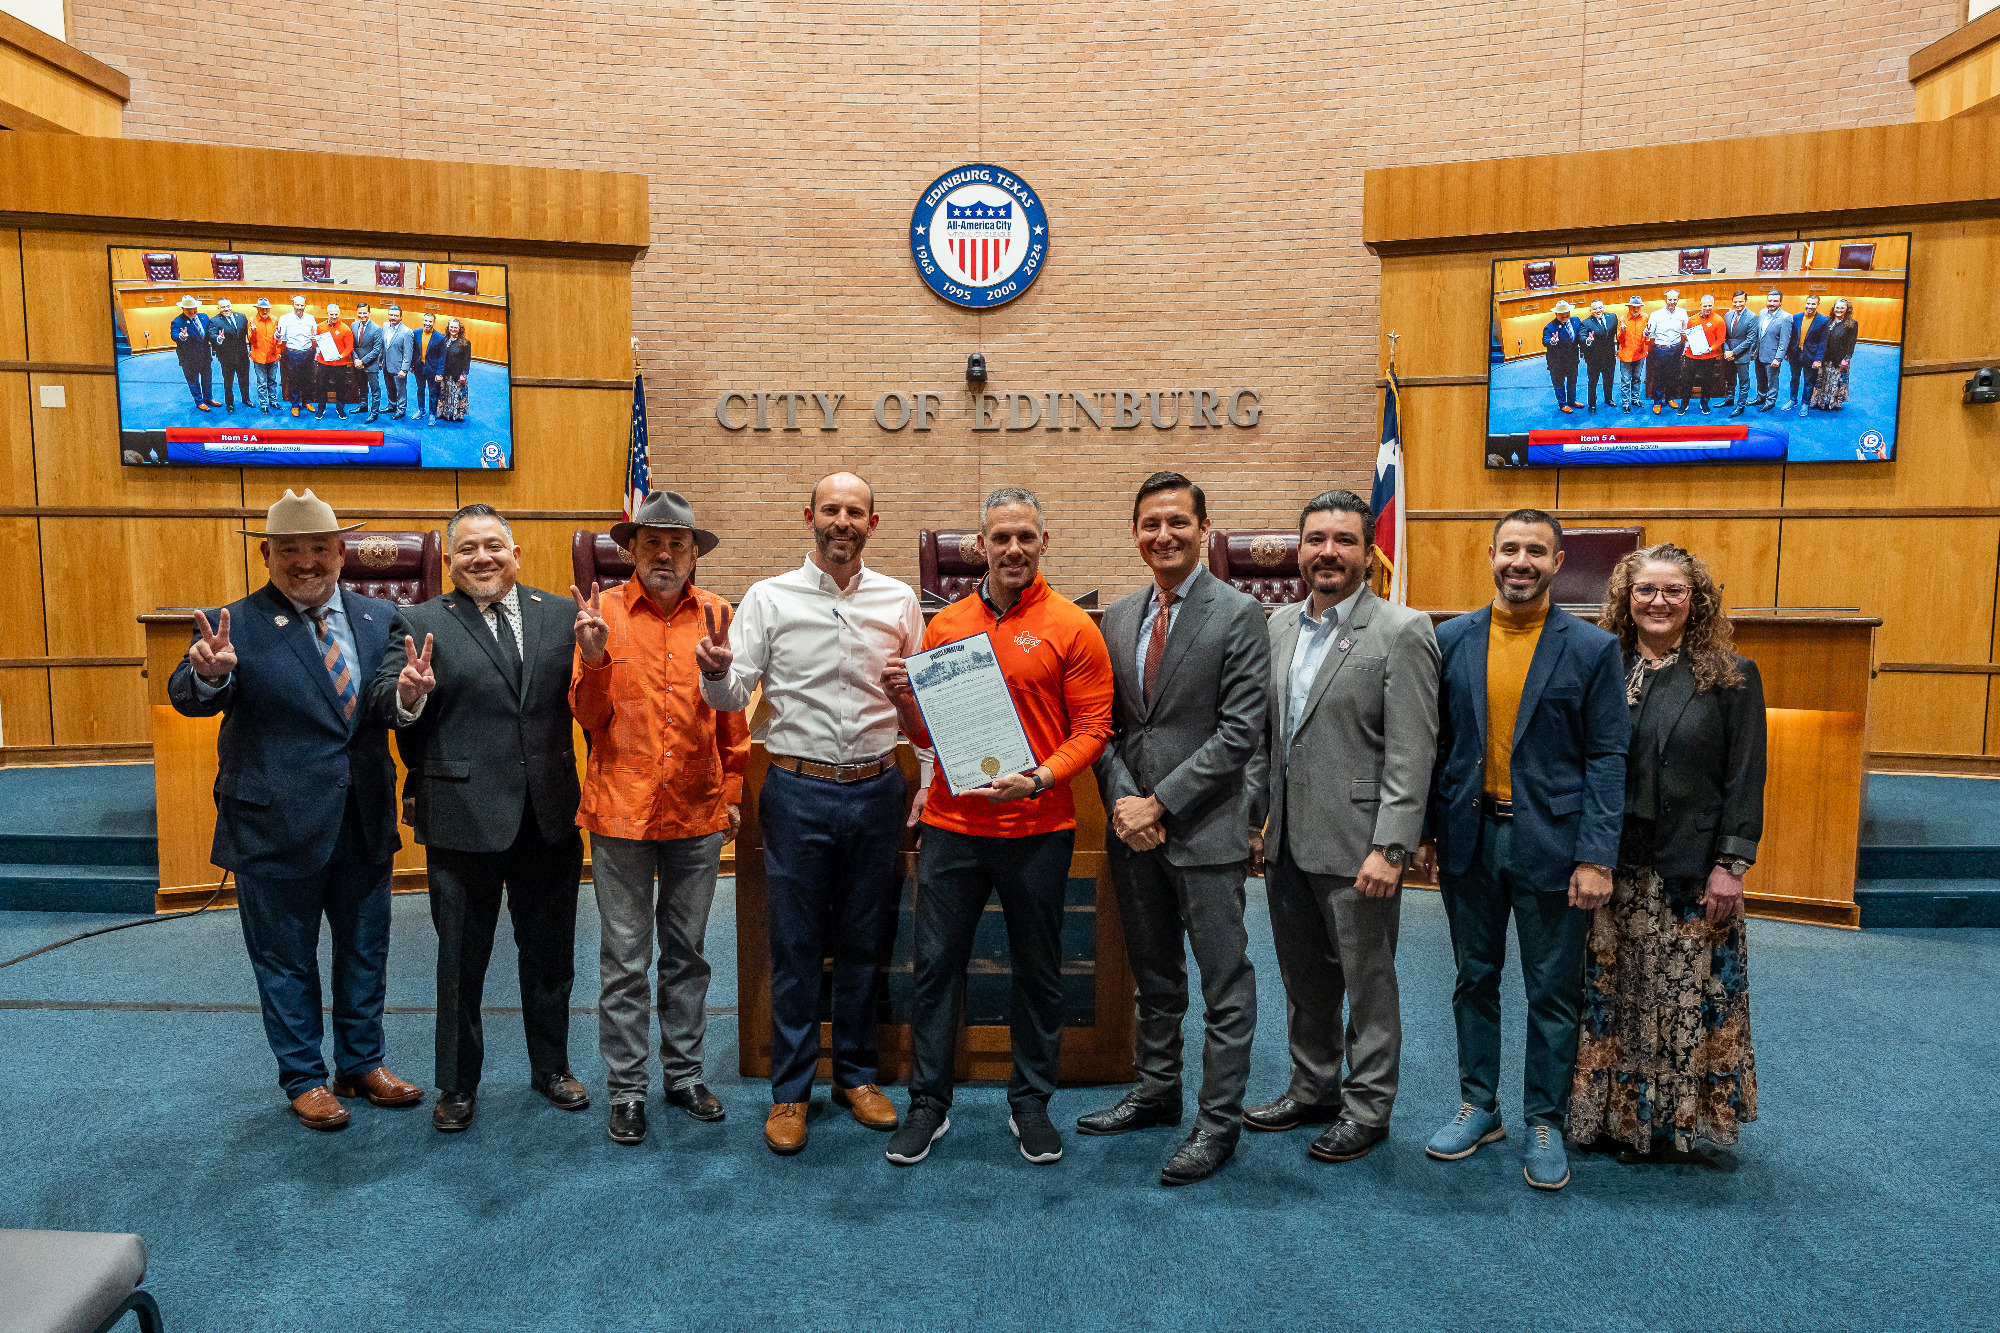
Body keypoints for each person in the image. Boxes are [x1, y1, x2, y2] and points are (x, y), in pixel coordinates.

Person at [167, 490, 421, 1131]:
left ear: (341, 552)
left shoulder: (379, 617)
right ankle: (304, 1077)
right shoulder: (233, 624)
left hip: (361, 817)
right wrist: (211, 676)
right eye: (289, 551)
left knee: (366, 949)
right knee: (285, 958)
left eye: (317, 549)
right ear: (267, 555)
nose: (305, 562)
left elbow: (387, 702)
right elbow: (189, 694)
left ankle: (363, 1064)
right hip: (273, 824)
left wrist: (410, 698)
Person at [881, 487, 1115, 1169]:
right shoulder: (946, 625)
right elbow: (929, 736)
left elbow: (1094, 730)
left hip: (1039, 826)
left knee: (1039, 970)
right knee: (936, 968)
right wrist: (904, 699)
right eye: (1000, 537)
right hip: (954, 828)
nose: (1013, 548)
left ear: (1045, 541)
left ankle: (1032, 1102)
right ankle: (929, 1101)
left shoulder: (1074, 626)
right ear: (978, 546)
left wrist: (1040, 777)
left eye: (1026, 536)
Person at [696, 472, 923, 1155]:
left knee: (863, 942)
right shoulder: (768, 598)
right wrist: (712, 670)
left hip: (877, 787)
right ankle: (790, 1091)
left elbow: (923, 702)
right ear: (810, 517)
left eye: (856, 510)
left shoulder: (901, 599)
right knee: (795, 947)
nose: (843, 520)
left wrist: (929, 772)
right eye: (832, 509)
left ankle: (855, 1076)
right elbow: (734, 696)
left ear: (873, 524)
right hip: (796, 791)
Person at [1419, 509, 1628, 1192]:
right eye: (1510, 548)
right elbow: (1435, 746)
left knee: (1551, 991)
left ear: (1559, 561)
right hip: (1469, 837)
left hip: (1554, 844)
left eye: (1536, 550)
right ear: (1490, 554)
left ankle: (1545, 1118)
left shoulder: (1592, 648)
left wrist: (1598, 856)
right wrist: (1425, 832)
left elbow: (1607, 756)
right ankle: (1481, 1106)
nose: (1521, 561)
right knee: (1473, 976)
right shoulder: (1450, 638)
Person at [371, 504, 590, 1134]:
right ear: (449, 560)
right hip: (462, 816)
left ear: (516, 554)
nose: (482, 558)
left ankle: (551, 1068)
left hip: (548, 814)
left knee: (549, 955)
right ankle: (458, 1084)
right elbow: (389, 700)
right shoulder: (418, 621)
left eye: (493, 546)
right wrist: (410, 693)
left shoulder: (562, 615)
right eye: (466, 549)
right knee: (461, 959)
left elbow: (587, 698)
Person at [1080, 471, 1271, 1187]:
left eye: (1177, 523)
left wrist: (1158, 803)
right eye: (1150, 523)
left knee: (1225, 984)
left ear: (1203, 530)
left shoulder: (1240, 612)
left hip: (1206, 830)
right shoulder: (1120, 614)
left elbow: (1240, 731)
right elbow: (1109, 727)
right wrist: (1127, 803)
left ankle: (1217, 1122)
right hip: (1135, 833)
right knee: (1154, 976)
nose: (1164, 535)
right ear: (1135, 533)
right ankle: (1158, 1090)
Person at [1241, 490, 1439, 1163]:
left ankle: (1367, 1106)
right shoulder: (1277, 626)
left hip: (1362, 847)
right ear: (1300, 548)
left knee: (1368, 982)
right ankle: (1313, 1086)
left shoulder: (1403, 630)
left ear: (1367, 551)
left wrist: (1393, 846)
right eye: (1317, 538)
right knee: (1304, 979)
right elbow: (1271, 740)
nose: (1329, 551)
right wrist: (1256, 822)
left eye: (1344, 540)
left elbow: (1412, 753)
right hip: (1287, 840)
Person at [1568, 544, 1762, 1162]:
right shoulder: (1599, 664)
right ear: (1626, 597)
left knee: (1681, 997)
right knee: (1614, 995)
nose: (1658, 601)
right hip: (1610, 865)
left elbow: (1745, 778)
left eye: (1673, 591)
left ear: (1696, 600)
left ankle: (1668, 1125)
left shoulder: (1730, 676)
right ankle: (1609, 1120)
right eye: (1645, 589)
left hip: (1688, 872)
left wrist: (1730, 866)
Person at [572, 492, 749, 1145]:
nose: (666, 554)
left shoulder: (719, 615)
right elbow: (588, 717)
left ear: (694, 552)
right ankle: (626, 1088)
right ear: (633, 550)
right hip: (620, 810)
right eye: (654, 543)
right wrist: (592, 659)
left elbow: (733, 714)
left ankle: (684, 1074)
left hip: (698, 809)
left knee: (687, 954)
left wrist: (732, 787)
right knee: (624, 957)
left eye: (679, 544)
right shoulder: (602, 615)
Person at [1678, 294, 1726, 414]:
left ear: (1713, 305)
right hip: (1691, 356)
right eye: (1705, 305)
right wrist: (1685, 343)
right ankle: (1684, 404)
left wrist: (1711, 348)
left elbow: (1720, 339)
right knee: (1687, 381)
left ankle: (1704, 403)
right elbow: (1688, 337)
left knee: (1707, 381)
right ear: (1701, 305)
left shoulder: (1719, 320)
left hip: (1709, 357)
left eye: (1710, 305)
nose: (1707, 308)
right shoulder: (1692, 319)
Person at [1643, 289, 1689, 412]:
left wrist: (1686, 338)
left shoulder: (1682, 312)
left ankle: (1670, 398)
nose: (1672, 302)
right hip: (1661, 349)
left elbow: (1687, 329)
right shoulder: (1656, 314)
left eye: (1675, 299)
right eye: (1670, 299)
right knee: (1659, 376)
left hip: (1676, 348)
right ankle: (1657, 402)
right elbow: (1648, 332)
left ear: (1678, 300)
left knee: (1674, 375)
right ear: (1665, 299)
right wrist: (1646, 332)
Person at [1784, 293, 1830, 414]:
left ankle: (1805, 403)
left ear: (1818, 305)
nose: (1810, 306)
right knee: (1794, 378)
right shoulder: (1797, 317)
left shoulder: (1823, 320)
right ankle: (1793, 399)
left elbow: (1823, 342)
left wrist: (1818, 359)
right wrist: (1787, 352)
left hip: (1811, 355)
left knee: (1809, 381)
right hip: (1795, 353)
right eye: (1808, 303)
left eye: (1813, 304)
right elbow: (1792, 337)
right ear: (1805, 303)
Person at [1812, 296, 1860, 411]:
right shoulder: (1826, 321)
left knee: (1836, 381)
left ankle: (1832, 403)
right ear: (1833, 308)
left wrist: (1847, 359)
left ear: (1847, 309)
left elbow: (1851, 343)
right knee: (1823, 379)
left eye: (1842, 308)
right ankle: (1820, 402)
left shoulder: (1852, 324)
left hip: (1840, 359)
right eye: (1837, 307)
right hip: (1825, 357)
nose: (1839, 310)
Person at [169, 296, 217, 412]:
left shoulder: (204, 317)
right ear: (183, 309)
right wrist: (182, 337)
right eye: (188, 309)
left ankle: (208, 398)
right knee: (193, 381)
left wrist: (216, 342)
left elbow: (210, 333)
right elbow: (174, 336)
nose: (192, 311)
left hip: (205, 356)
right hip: (189, 359)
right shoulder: (177, 322)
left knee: (207, 378)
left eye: (194, 308)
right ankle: (199, 402)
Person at [276, 295, 318, 418]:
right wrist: (277, 334)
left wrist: (316, 350)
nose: (299, 307)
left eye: (302, 305)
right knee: (294, 380)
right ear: (293, 304)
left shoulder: (310, 318)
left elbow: (315, 335)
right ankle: (295, 405)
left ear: (305, 305)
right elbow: (279, 336)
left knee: (308, 379)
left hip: (308, 352)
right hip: (293, 353)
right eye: (297, 304)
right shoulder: (285, 318)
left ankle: (307, 401)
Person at [1721, 291, 1760, 418]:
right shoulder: (1727, 315)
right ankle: (1729, 399)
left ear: (1746, 301)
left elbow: (1750, 340)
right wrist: (1727, 351)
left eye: (1741, 301)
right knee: (1729, 378)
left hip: (1742, 355)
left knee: (1744, 382)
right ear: (1732, 302)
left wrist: (1733, 352)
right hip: (1728, 355)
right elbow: (1724, 336)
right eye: (1735, 301)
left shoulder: (1752, 317)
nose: (1738, 304)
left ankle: (1740, 405)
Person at [314, 302, 356, 418]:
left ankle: (340, 408)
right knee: (322, 386)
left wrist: (341, 356)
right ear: (327, 313)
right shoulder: (320, 327)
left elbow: (349, 347)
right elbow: (318, 342)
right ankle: (321, 408)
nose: (334, 316)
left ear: (339, 314)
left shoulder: (345, 329)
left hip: (340, 363)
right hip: (323, 363)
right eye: (331, 314)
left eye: (336, 314)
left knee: (340, 387)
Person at [209, 297, 251, 412]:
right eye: (223, 307)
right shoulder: (214, 321)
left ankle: (246, 399)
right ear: (218, 308)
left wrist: (251, 348)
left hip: (243, 356)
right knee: (228, 382)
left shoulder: (241, 317)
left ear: (231, 306)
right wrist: (218, 338)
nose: (226, 309)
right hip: (227, 358)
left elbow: (249, 334)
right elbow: (211, 335)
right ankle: (230, 403)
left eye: (228, 306)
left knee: (244, 379)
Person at [1540, 300, 1581, 414]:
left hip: (1573, 359)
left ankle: (1572, 400)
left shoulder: (1575, 321)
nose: (1565, 317)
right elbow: (1545, 341)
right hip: (1557, 362)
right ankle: (1563, 404)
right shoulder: (1550, 327)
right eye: (1562, 315)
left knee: (1572, 381)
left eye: (1567, 314)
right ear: (1556, 314)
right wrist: (1552, 341)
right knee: (1559, 384)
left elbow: (1581, 335)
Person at [1579, 299, 1619, 413]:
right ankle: (1592, 404)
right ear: (1590, 310)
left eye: (1600, 307)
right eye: (1595, 308)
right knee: (1593, 382)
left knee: (1609, 380)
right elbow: (1581, 337)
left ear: (1603, 307)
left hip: (1610, 357)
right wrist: (1588, 340)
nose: (1598, 310)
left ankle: (1608, 399)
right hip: (1594, 359)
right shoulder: (1586, 323)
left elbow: (1618, 333)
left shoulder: (1612, 317)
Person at [1752, 289, 1789, 412]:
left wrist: (1778, 358)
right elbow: (1759, 334)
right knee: (1760, 377)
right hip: (1759, 353)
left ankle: (1770, 401)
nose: (1771, 303)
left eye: (1775, 301)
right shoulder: (1762, 312)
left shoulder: (1786, 317)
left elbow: (1784, 341)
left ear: (1780, 303)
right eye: (1769, 300)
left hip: (1773, 356)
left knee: (1772, 380)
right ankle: (1761, 397)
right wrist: (1753, 350)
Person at [350, 301, 386, 423]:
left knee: (375, 389)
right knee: (361, 387)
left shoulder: (376, 329)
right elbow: (353, 345)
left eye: (364, 313)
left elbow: (377, 350)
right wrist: (355, 359)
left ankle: (374, 412)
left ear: (369, 313)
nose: (362, 315)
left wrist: (362, 361)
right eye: (359, 313)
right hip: (357, 364)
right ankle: (363, 406)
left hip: (370, 365)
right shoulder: (354, 325)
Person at [246, 297, 283, 414]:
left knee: (272, 380)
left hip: (273, 356)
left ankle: (273, 401)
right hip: (259, 357)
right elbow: (251, 340)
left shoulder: (274, 320)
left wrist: (279, 351)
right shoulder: (252, 321)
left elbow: (278, 338)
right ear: (258, 309)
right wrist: (254, 332)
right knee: (262, 382)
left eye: (267, 309)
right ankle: (264, 404)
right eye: (262, 309)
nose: (265, 311)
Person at [1613, 295, 1649, 413]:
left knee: (1637, 378)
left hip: (1640, 354)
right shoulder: (1623, 319)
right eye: (1633, 307)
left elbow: (1647, 335)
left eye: (1638, 307)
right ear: (1629, 307)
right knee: (1625, 380)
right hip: (1626, 355)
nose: (1636, 310)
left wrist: (1647, 346)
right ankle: (1625, 403)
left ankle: (1635, 399)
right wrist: (1622, 331)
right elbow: (1619, 339)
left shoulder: (1645, 318)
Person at [412, 312, 448, 422]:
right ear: (423, 320)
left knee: (433, 392)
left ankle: (432, 413)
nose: (427, 323)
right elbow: (413, 351)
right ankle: (421, 410)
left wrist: (439, 373)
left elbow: (442, 357)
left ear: (434, 322)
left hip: (432, 369)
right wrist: (411, 365)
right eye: (426, 321)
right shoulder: (416, 333)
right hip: (419, 367)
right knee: (420, 389)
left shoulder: (440, 337)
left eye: (430, 321)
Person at [379, 304, 413, 420]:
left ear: (401, 317)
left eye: (396, 315)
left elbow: (408, 353)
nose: (393, 318)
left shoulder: (407, 332)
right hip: (386, 364)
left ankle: (401, 410)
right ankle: (392, 405)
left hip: (399, 367)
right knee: (390, 387)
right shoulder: (384, 326)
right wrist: (380, 361)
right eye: (391, 315)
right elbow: (383, 346)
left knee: (400, 390)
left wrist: (404, 369)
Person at [437, 317, 472, 422]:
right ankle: (444, 413)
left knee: (458, 394)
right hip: (444, 374)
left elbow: (466, 360)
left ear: (460, 329)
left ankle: (457, 415)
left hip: (458, 375)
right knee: (444, 394)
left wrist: (464, 374)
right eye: (451, 327)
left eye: (455, 327)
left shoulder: (465, 343)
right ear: (448, 328)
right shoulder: (443, 340)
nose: (453, 329)